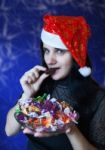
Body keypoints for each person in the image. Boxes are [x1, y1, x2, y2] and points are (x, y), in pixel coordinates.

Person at [5, 15, 105, 150]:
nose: (50, 60)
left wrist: (70, 128)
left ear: (76, 55)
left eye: (59, 51)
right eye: (46, 51)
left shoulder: (98, 98)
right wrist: (27, 95)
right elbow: (9, 130)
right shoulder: (39, 82)